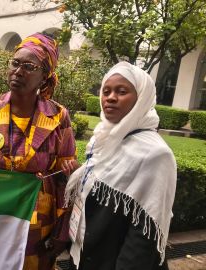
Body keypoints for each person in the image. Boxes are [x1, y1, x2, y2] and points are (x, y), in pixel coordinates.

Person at [0, 33, 77, 270]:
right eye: (15, 63)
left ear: (44, 75)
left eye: (29, 66)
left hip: (37, 223)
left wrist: (61, 230)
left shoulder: (57, 116)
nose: (18, 71)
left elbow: (65, 181)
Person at [65, 62, 176, 270]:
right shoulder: (103, 141)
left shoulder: (156, 154)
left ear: (142, 97)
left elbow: (144, 235)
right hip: (84, 257)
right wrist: (80, 174)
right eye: (106, 91)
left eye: (121, 91)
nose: (111, 97)